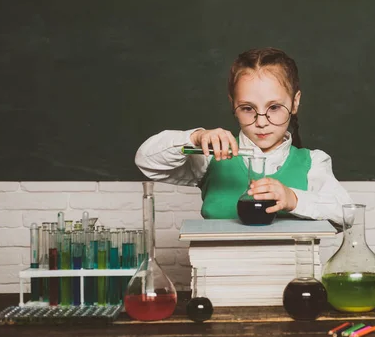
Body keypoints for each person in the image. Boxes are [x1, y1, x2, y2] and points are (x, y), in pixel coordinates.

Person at [135, 47, 352, 224]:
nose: (261, 121)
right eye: (248, 108)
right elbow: (146, 160)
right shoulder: (213, 155)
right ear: (233, 105)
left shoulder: (313, 162)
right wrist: (195, 138)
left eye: (274, 107)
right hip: (216, 272)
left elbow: (348, 214)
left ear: (294, 102)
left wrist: (292, 198)